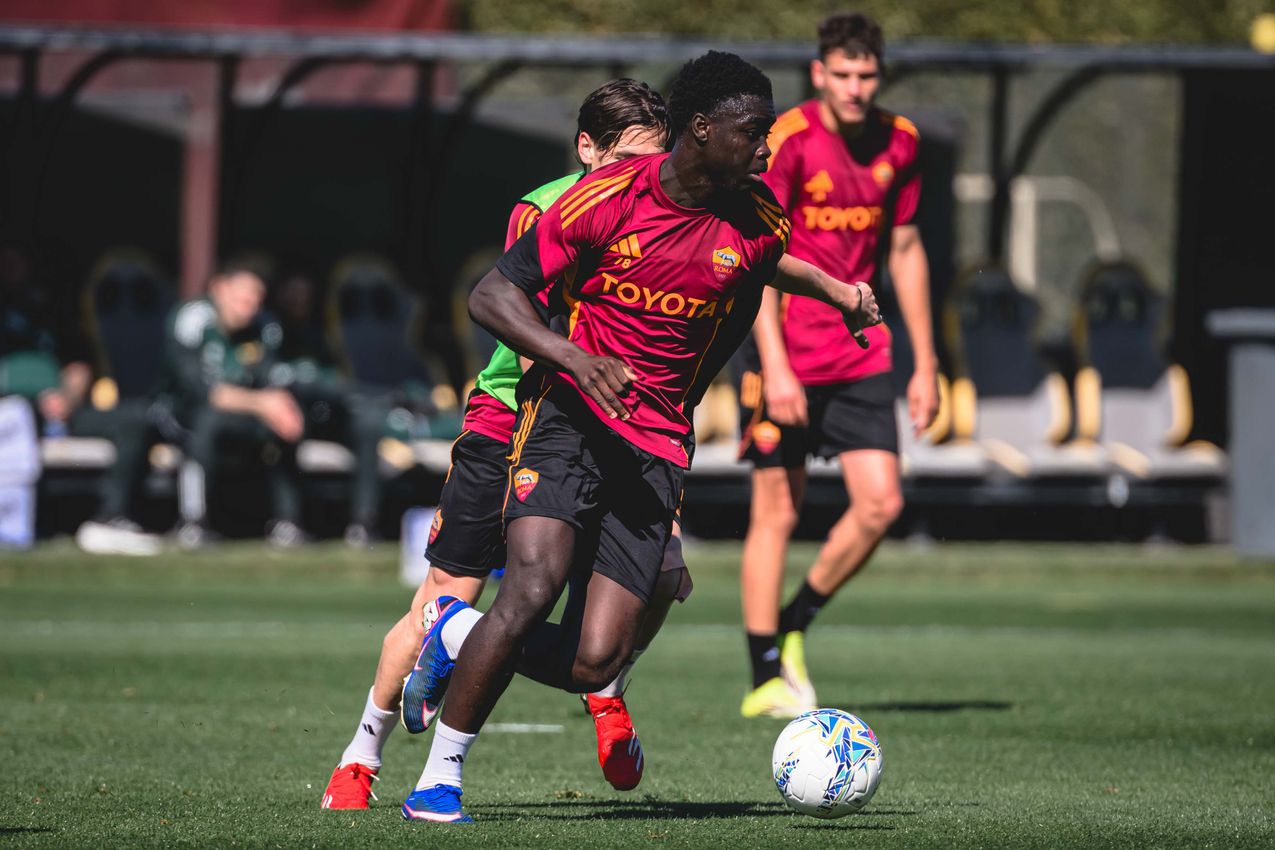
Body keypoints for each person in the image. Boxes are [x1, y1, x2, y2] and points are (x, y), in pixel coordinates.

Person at [396, 51, 880, 825]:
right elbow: (492, 296)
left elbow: (747, 294)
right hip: (565, 423)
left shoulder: (758, 220)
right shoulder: (605, 197)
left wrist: (829, 298)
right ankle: (438, 780)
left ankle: (452, 630)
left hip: (653, 448)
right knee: (530, 589)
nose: (766, 148)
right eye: (753, 132)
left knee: (596, 662)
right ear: (701, 129)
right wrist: (572, 359)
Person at [320, 79, 677, 811]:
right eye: (628, 161)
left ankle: (606, 691)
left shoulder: (669, 214)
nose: (642, 176)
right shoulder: (546, 209)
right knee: (447, 597)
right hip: (513, 421)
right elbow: (536, 315)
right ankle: (360, 757)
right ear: (586, 149)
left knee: (666, 575)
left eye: (655, 161)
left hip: (611, 429)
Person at [734, 12, 939, 718]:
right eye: (842, 74)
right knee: (777, 511)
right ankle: (764, 673)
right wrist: (775, 366)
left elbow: (905, 250)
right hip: (784, 349)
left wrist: (926, 363)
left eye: (866, 75)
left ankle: (795, 620)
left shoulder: (901, 141)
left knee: (882, 503)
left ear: (879, 76)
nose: (854, 87)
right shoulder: (787, 141)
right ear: (819, 73)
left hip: (860, 348)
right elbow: (757, 257)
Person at [79, 263, 309, 549]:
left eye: (256, 298)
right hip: (180, 415)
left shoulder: (264, 326)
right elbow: (203, 391)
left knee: (286, 419)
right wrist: (264, 403)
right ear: (219, 289)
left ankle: (287, 523)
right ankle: (191, 521)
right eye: (243, 296)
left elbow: (271, 375)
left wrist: (281, 404)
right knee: (197, 421)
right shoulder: (193, 318)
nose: (250, 305)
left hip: (241, 418)